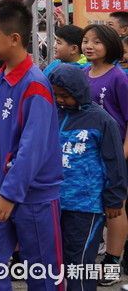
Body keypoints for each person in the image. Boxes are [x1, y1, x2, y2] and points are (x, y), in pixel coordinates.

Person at [0, 0, 63, 291]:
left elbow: (33, 148)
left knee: (42, 270)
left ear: (14, 38)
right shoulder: (2, 78)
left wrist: (9, 194)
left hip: (33, 193)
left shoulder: (34, 84)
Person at [48, 63, 127, 291]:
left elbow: (114, 164)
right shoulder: (51, 114)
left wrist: (113, 199)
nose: (60, 100)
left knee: (80, 262)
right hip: (52, 202)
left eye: (65, 95)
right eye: (56, 95)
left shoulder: (102, 121)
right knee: (53, 261)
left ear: (79, 91)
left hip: (85, 206)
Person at [82, 23, 128, 282]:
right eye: (86, 41)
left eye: (97, 41)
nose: (89, 46)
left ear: (110, 45)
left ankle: (111, 263)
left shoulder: (118, 77)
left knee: (115, 208)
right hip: (88, 153)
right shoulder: (82, 73)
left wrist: (122, 153)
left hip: (115, 153)